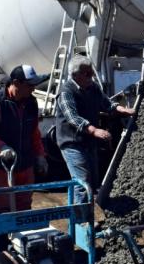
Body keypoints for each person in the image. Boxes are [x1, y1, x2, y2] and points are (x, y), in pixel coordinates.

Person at [56, 56, 134, 202]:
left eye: (91, 72)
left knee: (92, 181)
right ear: (75, 75)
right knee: (82, 182)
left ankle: (86, 216)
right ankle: (80, 221)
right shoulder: (66, 91)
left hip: (88, 142)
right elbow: (73, 118)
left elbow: (106, 103)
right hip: (72, 142)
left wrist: (121, 109)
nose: (91, 76)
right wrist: (94, 130)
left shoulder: (93, 87)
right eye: (87, 73)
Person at [0, 64, 49, 211]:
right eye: (29, 85)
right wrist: (1, 147)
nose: (33, 89)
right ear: (16, 83)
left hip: (25, 167)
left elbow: (34, 133)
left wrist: (40, 155)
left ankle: (19, 234)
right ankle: (1, 235)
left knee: (24, 208)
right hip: (1, 168)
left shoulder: (31, 103)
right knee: (2, 209)